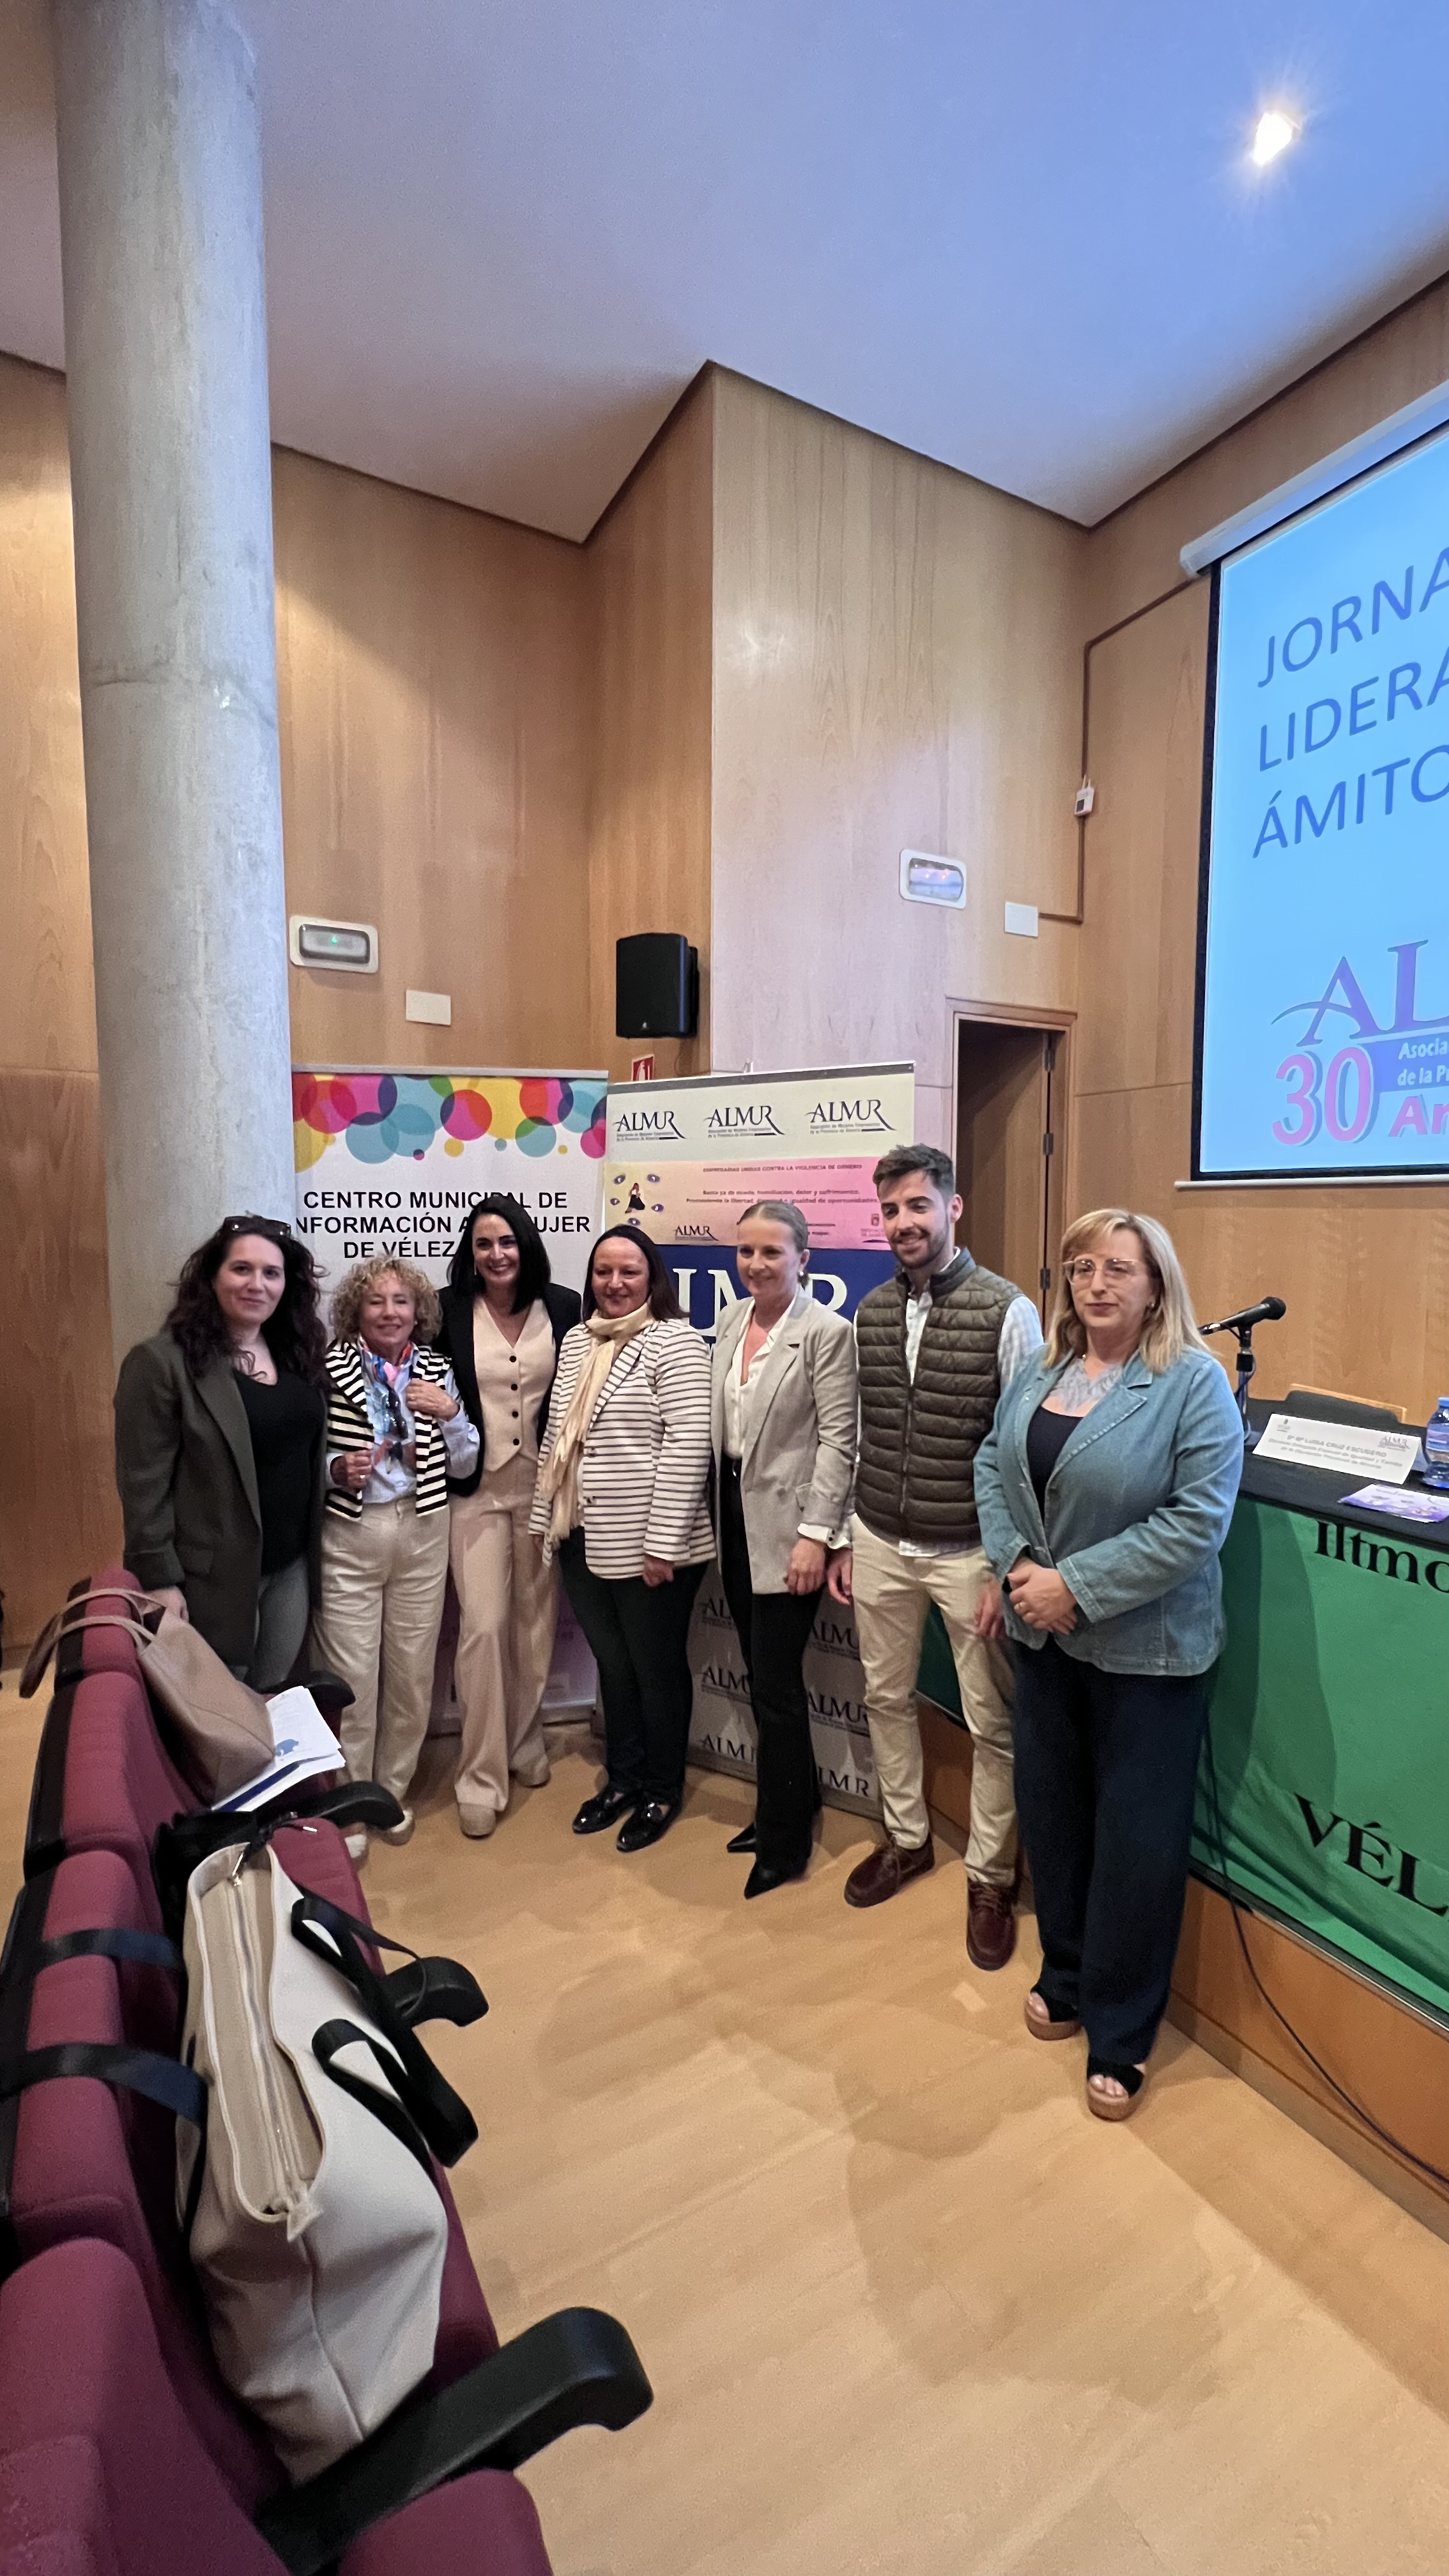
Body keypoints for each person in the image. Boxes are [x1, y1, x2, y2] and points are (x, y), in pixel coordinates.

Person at [974, 1208, 1243, 2120]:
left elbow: (1197, 1524)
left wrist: (1074, 1586)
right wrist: (1017, 1569)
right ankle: (1069, 1971)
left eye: (1118, 1268)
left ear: (1156, 1283)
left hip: (1146, 1656)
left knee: (1136, 1845)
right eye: (1082, 1266)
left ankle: (1123, 2034)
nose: (1097, 1283)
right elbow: (989, 1468)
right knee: (1055, 1818)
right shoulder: (1043, 1370)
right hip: (1046, 1641)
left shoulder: (1192, 1384)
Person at [827, 1144, 1042, 1967]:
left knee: (993, 1724)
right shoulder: (872, 1310)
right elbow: (861, 1433)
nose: (903, 1223)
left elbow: (1021, 1449)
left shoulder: (1007, 1310)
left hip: (968, 1554)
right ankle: (908, 1839)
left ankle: (990, 1877)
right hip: (881, 1538)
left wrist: (1003, 1563)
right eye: (889, 1210)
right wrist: (849, 1534)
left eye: (918, 1206)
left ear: (954, 1208)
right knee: (885, 1697)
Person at [531, 1226, 713, 1851]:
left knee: (656, 1672)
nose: (613, 1284)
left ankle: (661, 1789)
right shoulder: (579, 1339)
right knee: (614, 1666)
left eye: (628, 1272)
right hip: (583, 1534)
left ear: (651, 1278)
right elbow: (559, 1436)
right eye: (603, 1272)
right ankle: (624, 1779)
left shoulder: (676, 1342)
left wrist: (662, 1544)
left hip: (654, 1547)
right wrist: (541, 1520)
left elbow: (689, 1447)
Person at [710, 1202, 857, 1897]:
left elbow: (839, 1441)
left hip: (789, 1530)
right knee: (758, 1676)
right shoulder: (734, 1321)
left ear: (804, 1258)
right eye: (746, 1252)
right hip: (734, 1518)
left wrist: (816, 1537)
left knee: (775, 1688)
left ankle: (787, 1841)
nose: (756, 1265)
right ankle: (785, 1804)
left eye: (772, 1252)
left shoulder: (826, 1333)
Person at [310, 1257, 479, 1858]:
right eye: (376, 1301)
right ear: (356, 1309)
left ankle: (391, 1791)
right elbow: (301, 1458)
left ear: (418, 1312)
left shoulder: (435, 1369)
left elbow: (464, 1463)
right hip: (351, 1535)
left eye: (401, 1301)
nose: (389, 1312)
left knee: (411, 1673)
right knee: (353, 1676)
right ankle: (352, 1804)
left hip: (424, 1527)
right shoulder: (326, 1370)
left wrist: (452, 1414)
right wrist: (335, 1469)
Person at [114, 1215, 327, 1689]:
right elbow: (143, 1487)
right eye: (242, 1270)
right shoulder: (160, 1363)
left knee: (270, 1701)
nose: (258, 1284)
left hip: (289, 1569)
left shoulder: (298, 1356)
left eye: (271, 1273)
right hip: (211, 1583)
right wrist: (160, 1581)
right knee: (215, 1714)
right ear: (212, 1277)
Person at [435, 1197, 581, 1838]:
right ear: (471, 1252)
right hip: (475, 1490)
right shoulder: (445, 1312)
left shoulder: (568, 1306)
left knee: (534, 1621)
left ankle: (524, 1743)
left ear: (526, 1245)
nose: (497, 1254)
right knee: (485, 1628)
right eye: (484, 1243)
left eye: (507, 1242)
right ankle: (480, 1775)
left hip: (542, 1488)